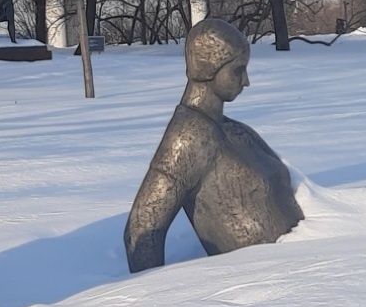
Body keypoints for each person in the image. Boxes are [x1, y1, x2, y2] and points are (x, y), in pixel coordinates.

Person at [124, 19, 303, 273]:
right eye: (238, 70)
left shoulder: (233, 129)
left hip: (299, 268)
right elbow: (143, 226)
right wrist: (153, 298)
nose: (247, 81)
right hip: (259, 285)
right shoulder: (189, 137)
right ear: (208, 69)